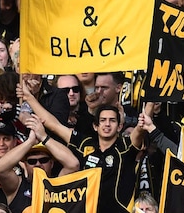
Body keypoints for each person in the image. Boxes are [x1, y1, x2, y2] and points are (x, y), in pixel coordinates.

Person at [19, 78, 147, 213]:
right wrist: (29, 97)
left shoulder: (125, 147)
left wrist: (149, 105)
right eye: (103, 120)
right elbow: (55, 125)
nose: (107, 124)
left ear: (120, 126)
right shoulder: (85, 144)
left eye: (112, 121)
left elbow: (141, 128)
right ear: (95, 126)